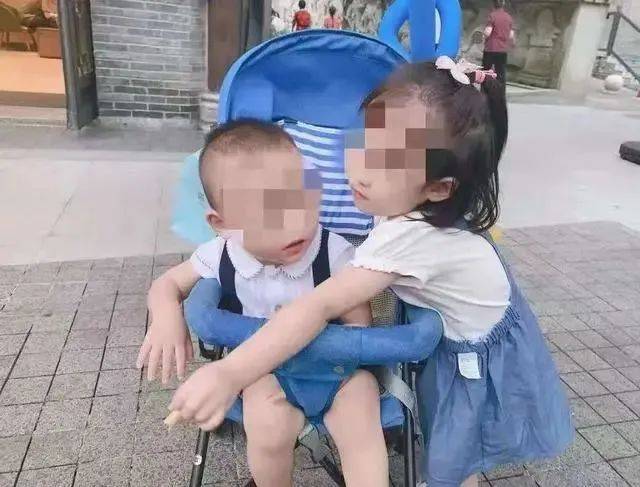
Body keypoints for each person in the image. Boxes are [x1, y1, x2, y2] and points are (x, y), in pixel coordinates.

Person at [168, 61, 574, 486]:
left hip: (475, 356)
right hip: (467, 329)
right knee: (451, 447)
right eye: (362, 144)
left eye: (385, 163)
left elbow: (316, 307)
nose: (359, 171)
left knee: (456, 453)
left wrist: (229, 372)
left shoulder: (410, 236)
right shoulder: (407, 204)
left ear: (438, 188)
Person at [136, 120, 388, 487]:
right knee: (266, 425)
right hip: (264, 374)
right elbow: (167, 284)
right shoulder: (222, 255)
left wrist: (340, 324)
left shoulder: (332, 252)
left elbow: (359, 323)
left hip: (336, 372)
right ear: (223, 224)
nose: (295, 224)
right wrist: (166, 317)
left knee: (362, 408)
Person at [483, 0, 515, 85]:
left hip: (491, 48)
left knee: (486, 72)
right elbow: (511, 35)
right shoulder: (509, 17)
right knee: (501, 73)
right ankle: (500, 92)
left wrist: (483, 37)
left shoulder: (492, 16)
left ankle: (486, 91)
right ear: (503, 4)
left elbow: (488, 32)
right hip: (503, 50)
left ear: (493, 4)